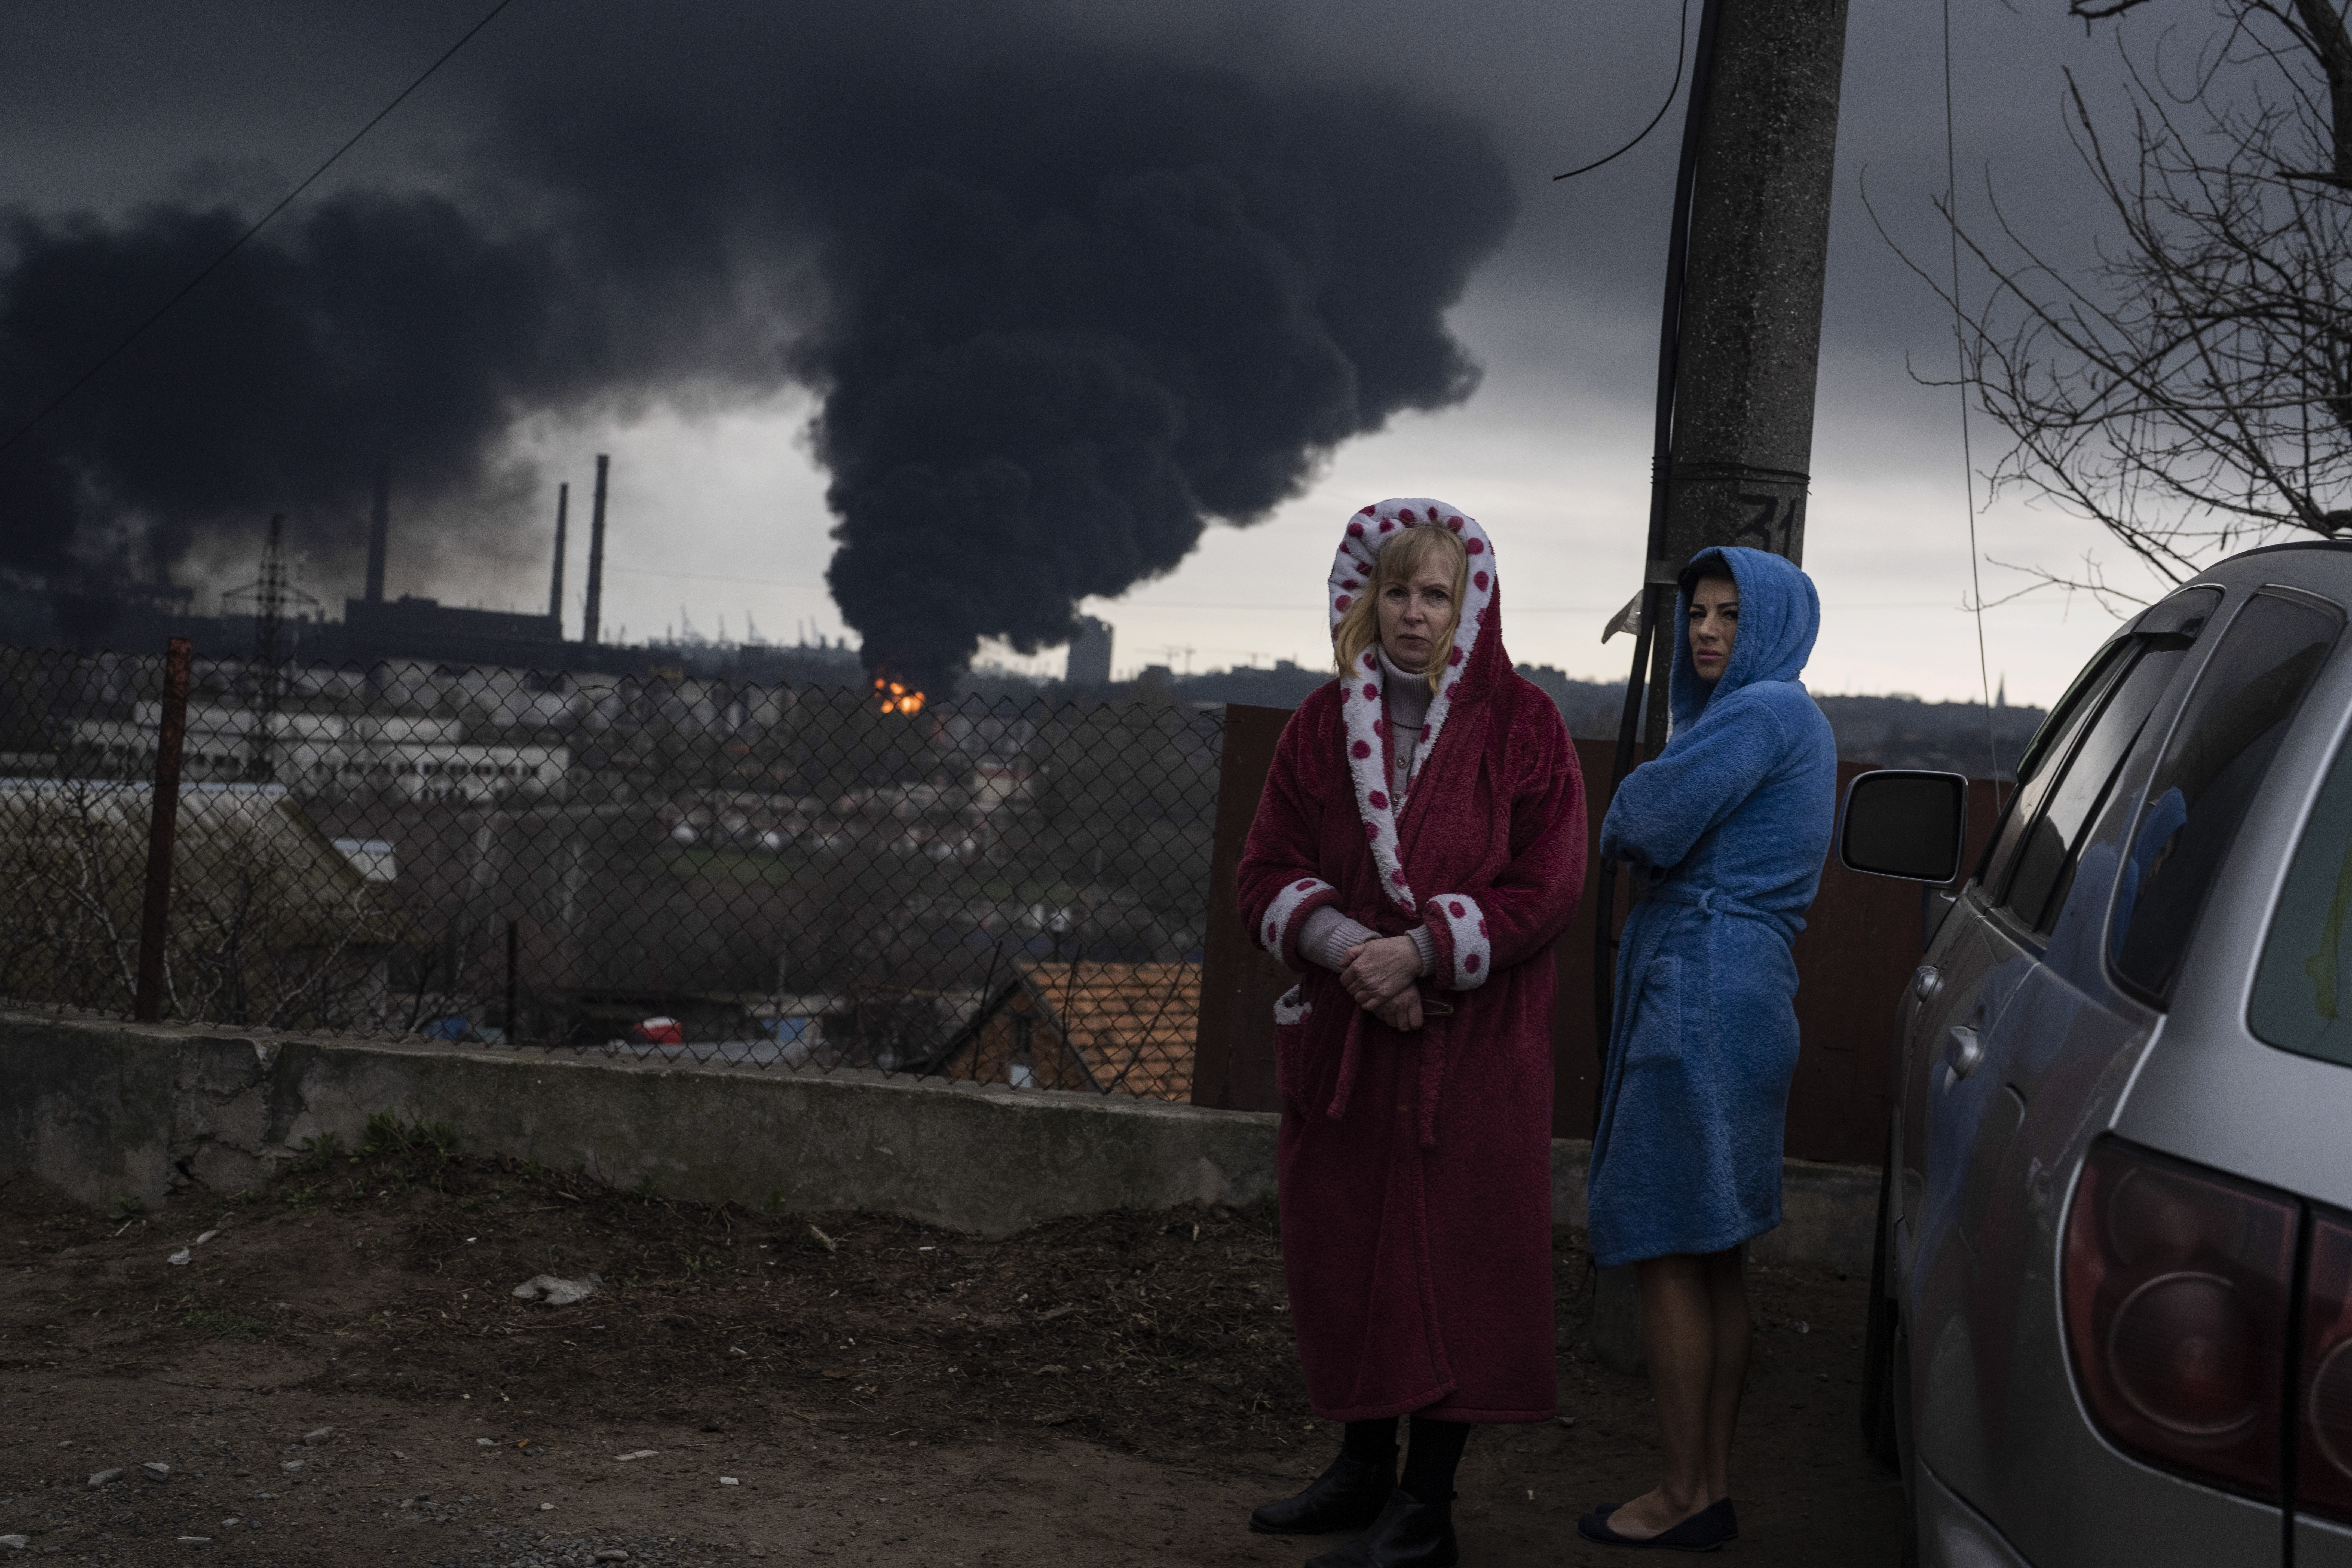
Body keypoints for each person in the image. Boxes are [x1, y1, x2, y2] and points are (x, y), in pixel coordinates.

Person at [1237, 498, 1587, 1567]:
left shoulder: (1526, 727)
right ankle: (1360, 1471)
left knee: (1453, 1264)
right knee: (1348, 1254)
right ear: (1363, 597)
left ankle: (1426, 1507)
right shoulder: (1315, 727)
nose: (1415, 613)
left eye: (1437, 593)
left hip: (1470, 1054)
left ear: (1471, 601)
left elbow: (1550, 884)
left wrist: (1427, 950)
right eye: (1397, 590)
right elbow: (1264, 872)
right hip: (1354, 1040)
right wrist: (1352, 948)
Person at [1577, 545, 1837, 1552]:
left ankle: (1682, 1493)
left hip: (1701, 985)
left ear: (1774, 623)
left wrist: (1636, 800)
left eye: (1732, 613)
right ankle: (1708, 1488)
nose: (1707, 631)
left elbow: (1642, 818)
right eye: (1698, 611)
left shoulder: (1764, 713)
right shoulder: (1792, 721)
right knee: (1715, 1252)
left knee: (1666, 1252)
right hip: (1748, 988)